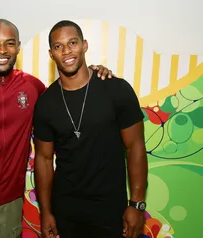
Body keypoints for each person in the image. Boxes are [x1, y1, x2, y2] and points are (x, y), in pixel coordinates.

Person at [0, 18, 113, 238]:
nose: (1, 50)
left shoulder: (32, 86)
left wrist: (93, 73)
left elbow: (66, 95)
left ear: (18, 47)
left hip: (11, 205)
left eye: (9, 43)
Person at [33, 20, 148, 238]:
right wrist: (46, 212)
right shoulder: (46, 104)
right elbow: (44, 160)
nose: (67, 51)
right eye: (58, 46)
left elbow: (135, 147)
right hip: (66, 211)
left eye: (72, 43)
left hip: (111, 210)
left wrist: (137, 203)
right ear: (51, 54)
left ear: (84, 45)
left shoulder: (116, 89)